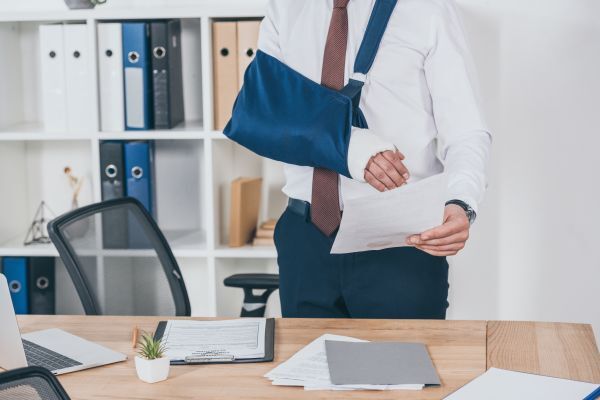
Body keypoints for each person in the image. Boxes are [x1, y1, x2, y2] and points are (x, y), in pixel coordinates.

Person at [258, 0, 492, 318]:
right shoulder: (285, 9)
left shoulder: (427, 10)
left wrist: (461, 201)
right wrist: (353, 150)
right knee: (307, 365)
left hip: (399, 240)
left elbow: (466, 130)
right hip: (307, 237)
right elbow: (266, 114)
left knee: (402, 366)